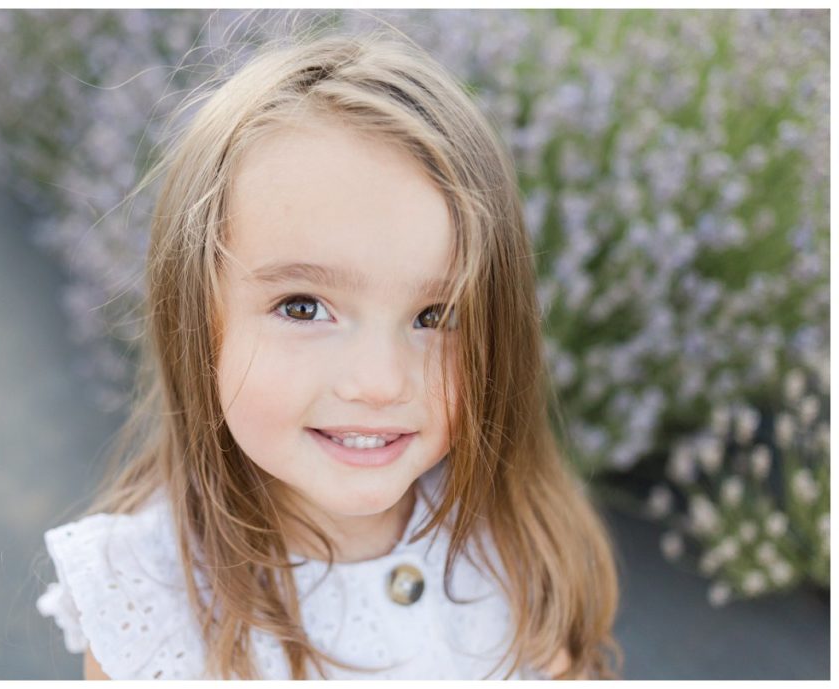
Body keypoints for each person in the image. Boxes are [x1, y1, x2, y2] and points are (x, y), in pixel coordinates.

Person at [36, 25, 622, 681]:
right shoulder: (144, 603)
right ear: (198, 320)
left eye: (439, 314)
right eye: (303, 306)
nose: (379, 382)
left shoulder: (518, 536)